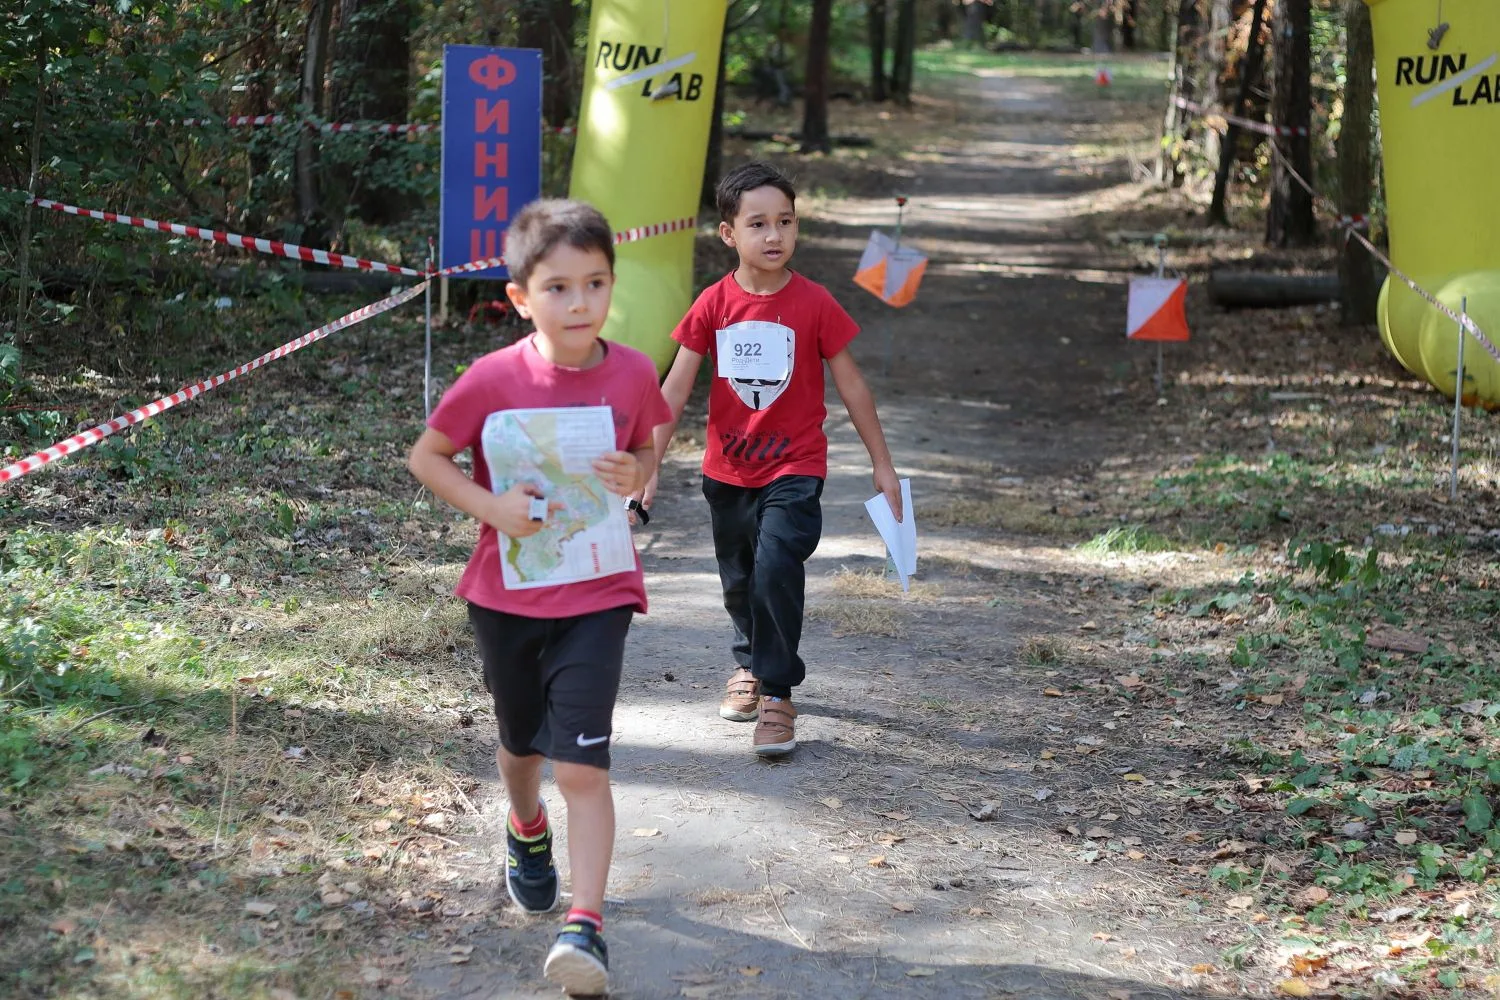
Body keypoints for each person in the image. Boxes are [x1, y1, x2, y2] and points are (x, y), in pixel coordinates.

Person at [407, 199, 670, 997]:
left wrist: (635, 475)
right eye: (558, 288)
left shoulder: (629, 369)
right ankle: (525, 827)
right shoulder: (492, 378)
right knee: (521, 744)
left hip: (598, 592)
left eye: (595, 283)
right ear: (521, 297)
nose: (580, 302)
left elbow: (651, 436)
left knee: (582, 765)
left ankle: (584, 926)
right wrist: (491, 508)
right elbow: (429, 455)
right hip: (508, 598)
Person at [635, 160, 903, 757]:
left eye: (785, 221)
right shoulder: (713, 304)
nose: (774, 235)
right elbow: (674, 388)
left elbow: (854, 386)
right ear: (729, 233)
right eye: (758, 224)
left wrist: (882, 465)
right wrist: (648, 466)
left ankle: (778, 693)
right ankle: (750, 662)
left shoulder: (814, 303)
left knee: (777, 563)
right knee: (739, 579)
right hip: (725, 471)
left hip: (795, 467)